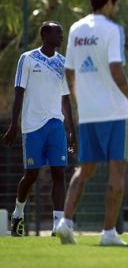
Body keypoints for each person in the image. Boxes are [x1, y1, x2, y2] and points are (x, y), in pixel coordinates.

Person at [55, 0, 128, 246]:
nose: (116, 10)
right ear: (108, 3)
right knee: (117, 171)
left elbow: (69, 71)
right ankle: (108, 233)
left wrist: (79, 98)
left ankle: (65, 221)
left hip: (89, 113)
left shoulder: (75, 28)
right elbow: (117, 71)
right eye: (115, 4)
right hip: (115, 112)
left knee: (84, 170)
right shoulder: (113, 30)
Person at [3, 21, 76, 237]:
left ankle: (57, 226)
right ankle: (18, 213)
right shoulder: (27, 59)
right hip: (32, 126)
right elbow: (18, 94)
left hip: (56, 124)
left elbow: (65, 99)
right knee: (31, 174)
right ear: (45, 35)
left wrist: (71, 130)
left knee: (58, 173)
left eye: (62, 33)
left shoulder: (62, 62)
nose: (61, 36)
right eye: (58, 32)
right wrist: (14, 124)